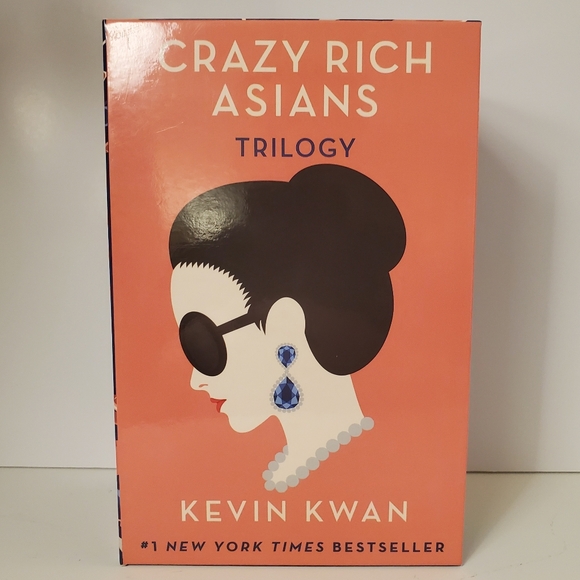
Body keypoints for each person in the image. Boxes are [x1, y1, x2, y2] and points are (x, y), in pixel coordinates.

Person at [169, 164, 406, 492]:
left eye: (201, 345)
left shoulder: (380, 475)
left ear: (285, 325)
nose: (196, 381)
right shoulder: (293, 467)